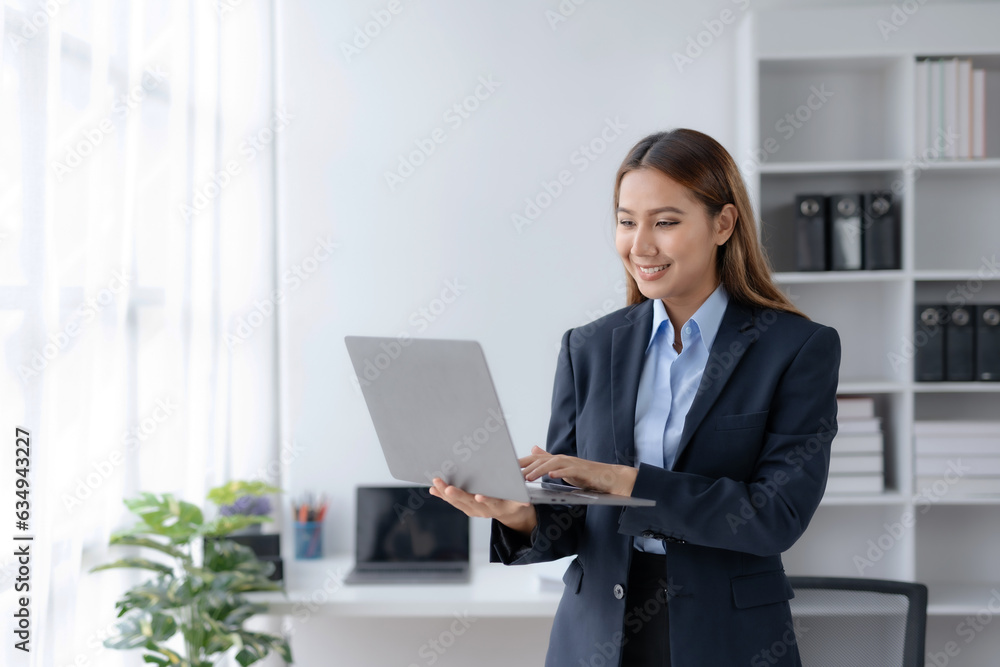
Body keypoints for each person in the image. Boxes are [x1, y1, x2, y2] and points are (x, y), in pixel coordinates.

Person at [429, 128, 841, 667]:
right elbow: (575, 515)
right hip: (597, 633)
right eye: (626, 222)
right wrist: (519, 515)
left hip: (729, 638)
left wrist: (624, 481)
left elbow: (774, 516)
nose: (640, 245)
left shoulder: (796, 348)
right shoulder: (589, 346)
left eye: (665, 222)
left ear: (723, 223)